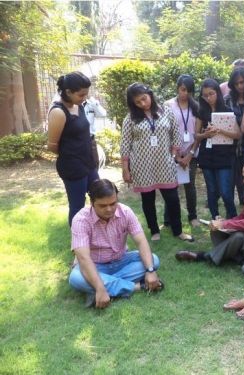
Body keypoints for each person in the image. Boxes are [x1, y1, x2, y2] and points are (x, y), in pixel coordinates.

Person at [175, 161, 244, 276]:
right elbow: (243, 216)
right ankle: (243, 260)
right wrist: (224, 222)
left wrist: (226, 225)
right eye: (243, 177)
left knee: (239, 237)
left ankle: (203, 256)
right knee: (216, 231)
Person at [69, 179, 163, 309]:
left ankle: (98, 287)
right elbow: (84, 258)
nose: (109, 209)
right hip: (95, 265)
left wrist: (151, 270)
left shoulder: (126, 212)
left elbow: (141, 241)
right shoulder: (81, 220)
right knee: (75, 278)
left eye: (113, 203)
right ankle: (137, 287)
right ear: (92, 203)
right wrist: (100, 288)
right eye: (102, 205)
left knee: (154, 260)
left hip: (121, 260)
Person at [121, 83, 193, 242]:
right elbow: (125, 144)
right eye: (137, 102)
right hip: (142, 165)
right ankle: (154, 230)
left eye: (144, 99)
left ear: (150, 95)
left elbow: (176, 133)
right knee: (148, 200)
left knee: (173, 198)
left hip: (164, 163)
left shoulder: (166, 111)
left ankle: (178, 231)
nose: (142, 104)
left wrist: (173, 153)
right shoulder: (130, 118)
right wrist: (125, 169)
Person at [47, 71, 99, 227]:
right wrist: (70, 155)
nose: (84, 98)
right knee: (77, 205)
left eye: (86, 94)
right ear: (68, 92)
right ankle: (78, 244)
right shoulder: (58, 112)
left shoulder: (79, 106)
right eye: (81, 95)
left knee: (99, 196)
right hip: (72, 167)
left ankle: (99, 234)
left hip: (88, 163)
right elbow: (52, 145)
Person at [196, 78, 240, 219]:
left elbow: (237, 134)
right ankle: (215, 219)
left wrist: (220, 130)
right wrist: (205, 134)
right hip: (207, 155)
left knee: (226, 192)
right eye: (205, 95)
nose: (209, 98)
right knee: (212, 191)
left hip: (224, 156)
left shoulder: (227, 111)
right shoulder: (201, 111)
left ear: (218, 93)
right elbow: (196, 135)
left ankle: (232, 219)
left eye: (211, 94)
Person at [165, 74, 201, 227]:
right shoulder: (168, 105)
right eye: (182, 90)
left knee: (190, 186)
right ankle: (168, 220)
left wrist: (189, 155)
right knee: (170, 186)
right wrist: (176, 156)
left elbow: (198, 133)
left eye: (189, 91)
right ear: (178, 88)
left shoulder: (197, 107)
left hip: (191, 153)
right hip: (172, 153)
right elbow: (164, 132)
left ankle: (192, 216)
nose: (185, 94)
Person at [225, 68, 244, 206]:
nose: (240, 86)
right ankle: (239, 205)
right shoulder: (227, 100)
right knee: (234, 179)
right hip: (231, 147)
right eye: (236, 83)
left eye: (242, 82)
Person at [83, 96, 107, 169]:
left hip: (90, 140)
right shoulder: (72, 105)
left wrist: (92, 100)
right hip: (77, 140)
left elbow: (103, 114)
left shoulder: (91, 104)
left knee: (94, 166)